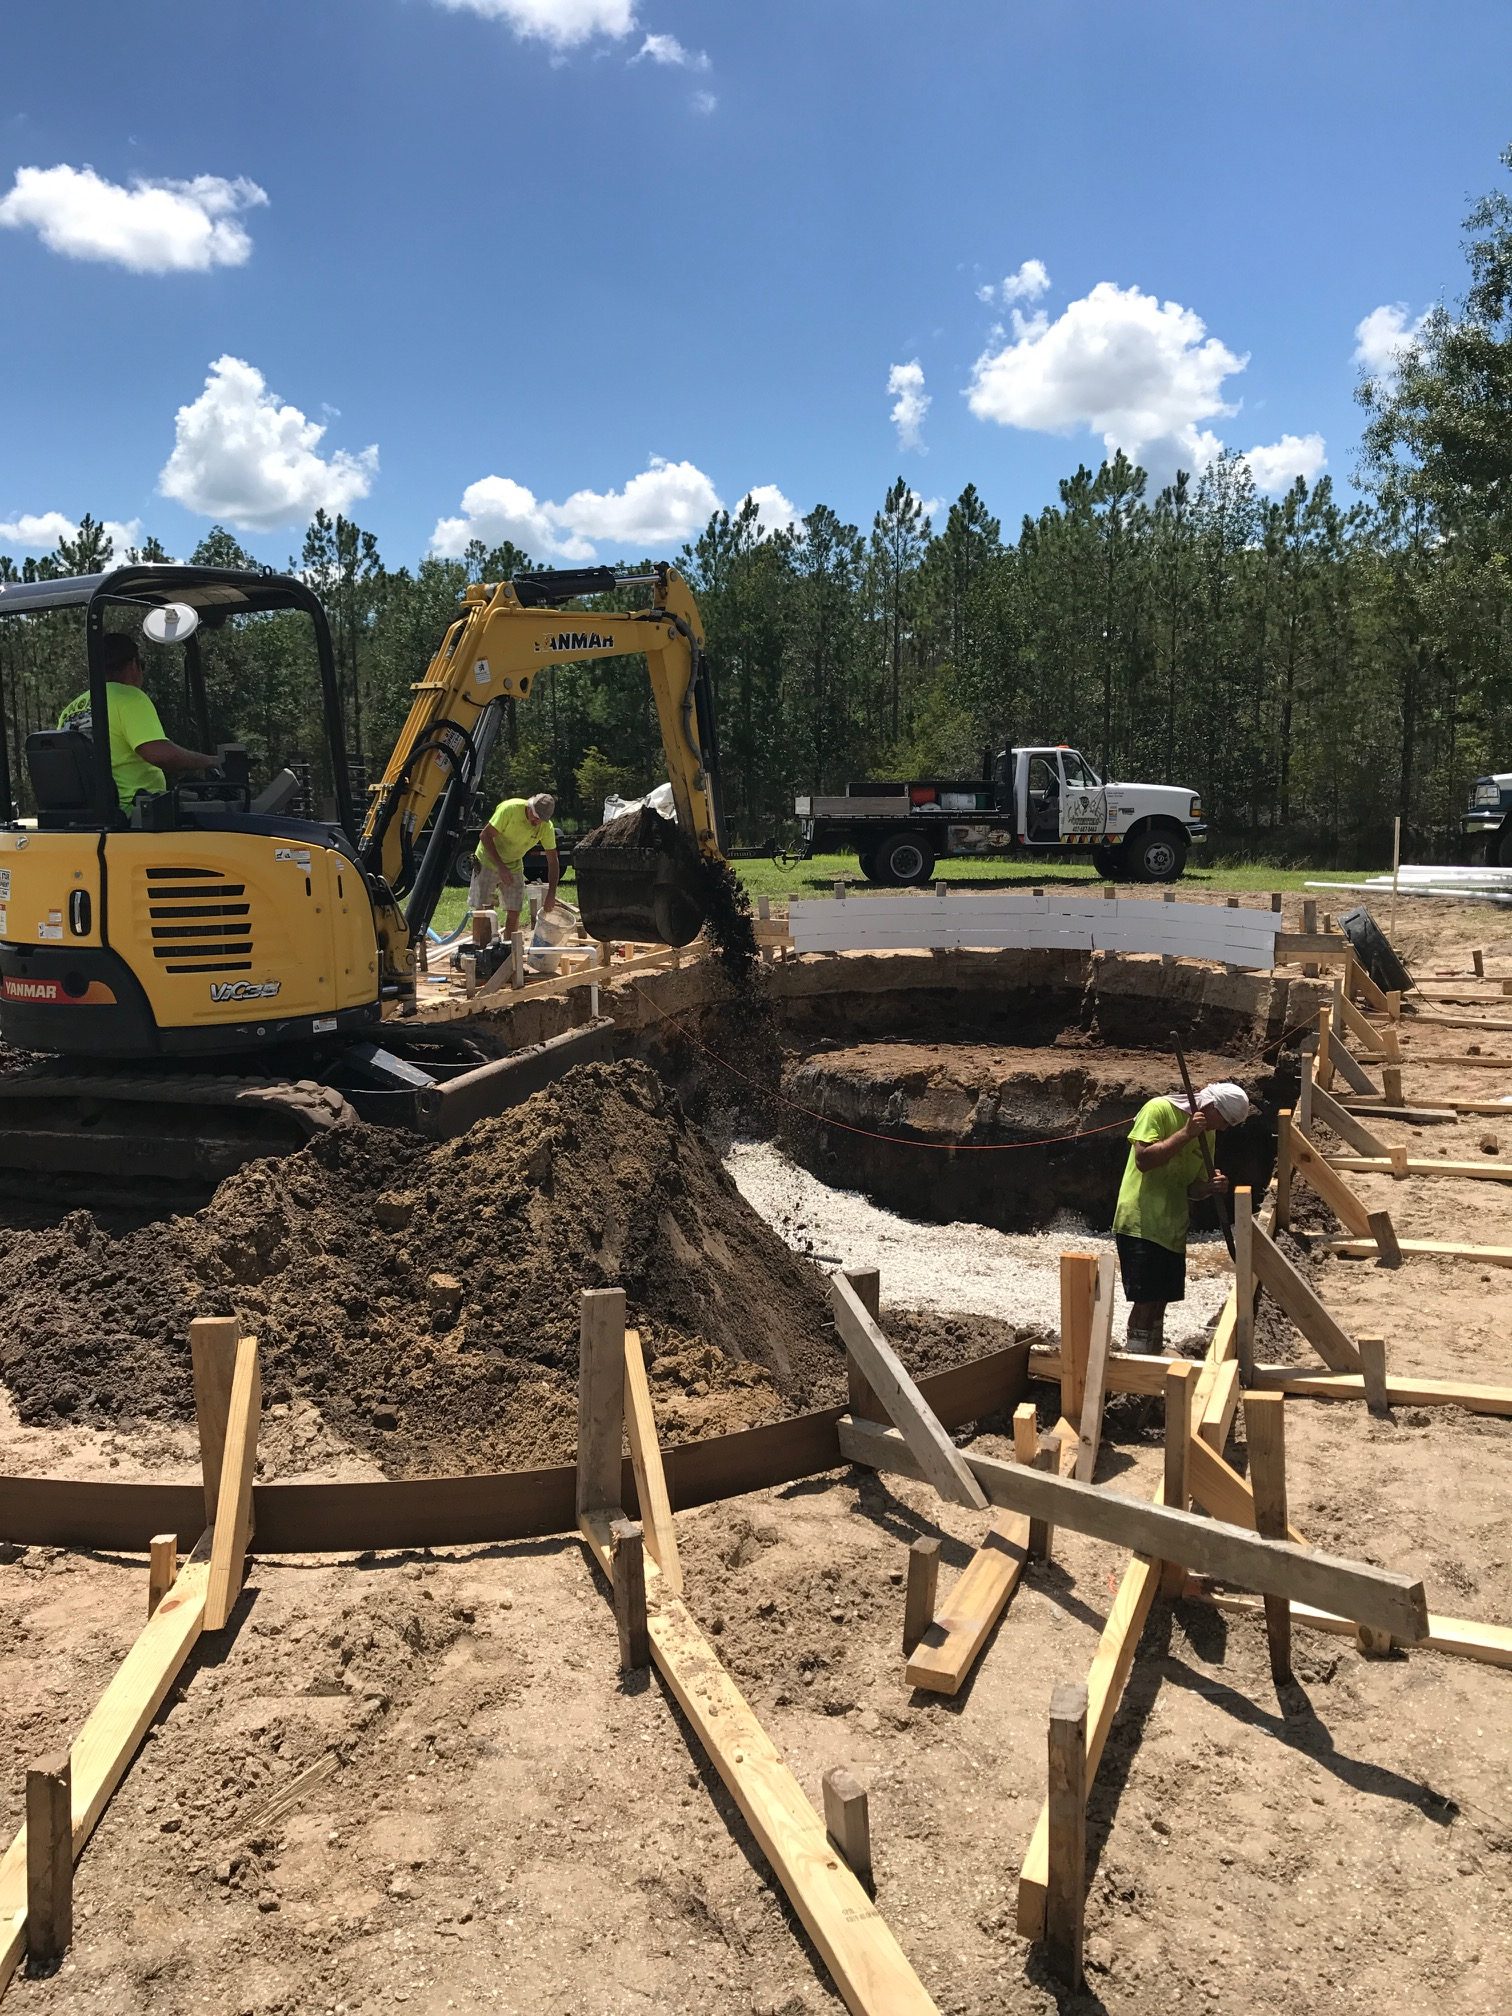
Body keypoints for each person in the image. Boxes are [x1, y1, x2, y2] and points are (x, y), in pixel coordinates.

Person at [1112, 1080, 1251, 1352]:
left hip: (1172, 1226)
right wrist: (1185, 1134)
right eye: (1224, 1121)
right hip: (1142, 1221)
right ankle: (1137, 1360)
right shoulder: (1159, 1110)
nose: (1223, 1129)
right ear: (1211, 1106)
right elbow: (1144, 1160)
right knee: (1146, 1299)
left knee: (1161, 1299)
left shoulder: (1207, 1135)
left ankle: (1151, 1355)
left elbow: (1192, 1189)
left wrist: (1210, 1188)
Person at [58, 632, 217, 813]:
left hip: (89, 815)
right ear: (133, 664)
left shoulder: (70, 710)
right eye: (142, 665)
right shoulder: (129, 697)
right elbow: (161, 755)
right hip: (134, 813)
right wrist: (211, 761)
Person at [469, 791, 559, 941]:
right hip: (488, 860)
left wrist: (551, 894)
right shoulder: (510, 810)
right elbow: (484, 836)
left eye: (541, 820)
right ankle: (479, 949)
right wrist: (501, 867)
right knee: (484, 910)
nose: (536, 822)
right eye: (535, 817)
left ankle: (509, 952)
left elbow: (553, 861)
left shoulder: (546, 827)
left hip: (514, 864)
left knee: (514, 910)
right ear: (529, 807)